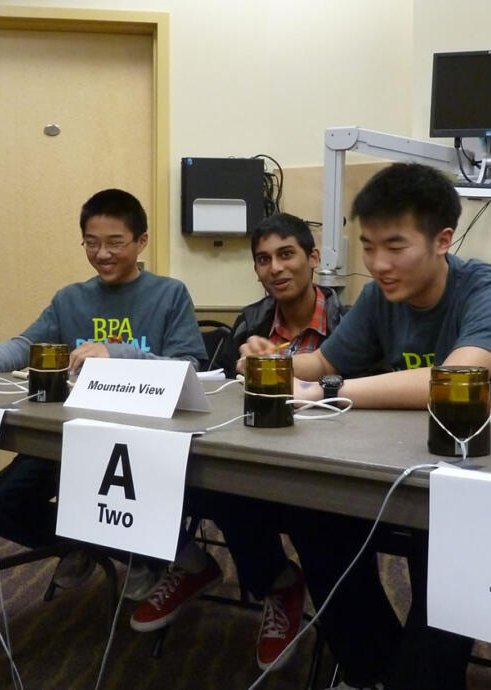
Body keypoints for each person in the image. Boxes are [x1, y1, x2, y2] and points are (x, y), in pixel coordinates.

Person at [241, 163, 491, 689]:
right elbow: (326, 362)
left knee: (440, 568)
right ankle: (369, 668)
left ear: (443, 240)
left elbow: (458, 377)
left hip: (477, 488)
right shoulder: (381, 296)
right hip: (397, 470)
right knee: (313, 517)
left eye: (394, 246)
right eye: (368, 246)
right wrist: (276, 359)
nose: (377, 264)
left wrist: (325, 393)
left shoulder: (488, 289)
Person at [0, 188, 207, 599]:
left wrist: (117, 352)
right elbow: (26, 344)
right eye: (91, 243)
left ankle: (146, 553)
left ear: (141, 241)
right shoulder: (70, 299)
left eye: (115, 243)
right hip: (68, 438)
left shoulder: (169, 294)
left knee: (112, 498)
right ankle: (89, 544)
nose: (102, 254)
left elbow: (191, 368)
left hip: (141, 444)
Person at [128, 213, 346, 672]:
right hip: (258, 454)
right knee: (209, 481)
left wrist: (301, 374)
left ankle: (353, 644)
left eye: (286, 254)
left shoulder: (352, 320)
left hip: (328, 462)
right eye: (263, 259)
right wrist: (239, 366)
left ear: (313, 258)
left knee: (317, 524)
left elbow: (364, 383)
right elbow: (217, 394)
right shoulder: (251, 320)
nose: (275, 268)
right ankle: (277, 582)